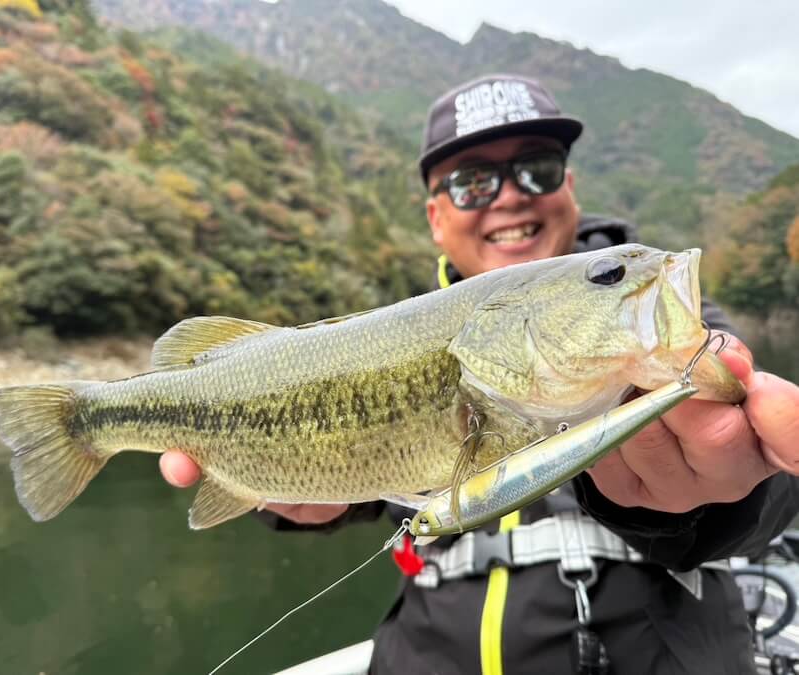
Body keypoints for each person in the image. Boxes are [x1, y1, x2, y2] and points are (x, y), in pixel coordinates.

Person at [161, 74, 799, 674]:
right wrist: (297, 499)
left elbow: (773, 493)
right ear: (437, 216)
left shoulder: (655, 308)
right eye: (471, 183)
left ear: (569, 187)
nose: (511, 194)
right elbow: (344, 486)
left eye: (537, 169)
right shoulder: (380, 337)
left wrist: (713, 501)